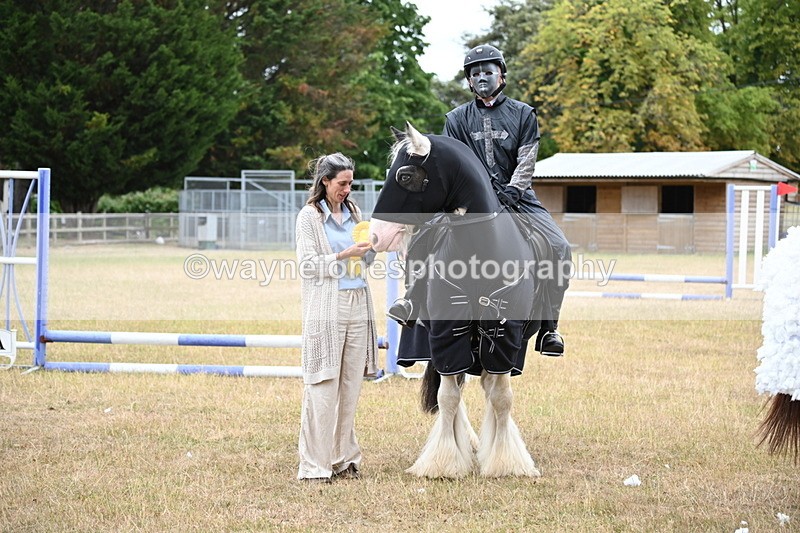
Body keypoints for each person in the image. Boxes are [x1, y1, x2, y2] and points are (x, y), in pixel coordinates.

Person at [442, 44, 571, 357]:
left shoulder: (524, 114)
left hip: (519, 198)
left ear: (501, 74)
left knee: (560, 248)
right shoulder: (456, 118)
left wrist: (513, 190)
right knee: (429, 236)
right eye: (476, 73)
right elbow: (456, 161)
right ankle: (415, 306)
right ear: (469, 81)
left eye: (488, 71)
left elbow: (526, 159)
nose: (482, 77)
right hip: (471, 202)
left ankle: (549, 329)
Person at [295, 152, 379, 483]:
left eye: (350, 183)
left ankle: (343, 458)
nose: (347, 189)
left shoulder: (355, 213)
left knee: (350, 385)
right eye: (342, 183)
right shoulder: (308, 217)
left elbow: (365, 264)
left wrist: (371, 248)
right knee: (323, 384)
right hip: (327, 307)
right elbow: (307, 265)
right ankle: (314, 466)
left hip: (359, 303)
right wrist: (344, 254)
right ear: (325, 181)